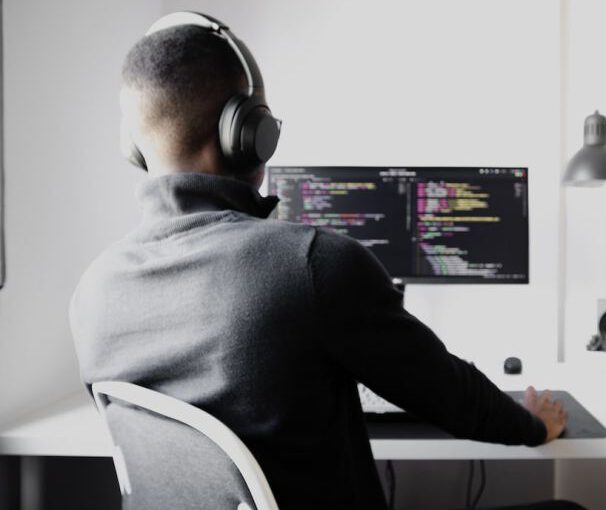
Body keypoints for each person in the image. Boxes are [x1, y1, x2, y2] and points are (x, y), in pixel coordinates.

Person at [70, 13, 578, 510]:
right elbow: (456, 400)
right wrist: (534, 422)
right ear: (249, 133)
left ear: (134, 146)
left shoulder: (91, 294)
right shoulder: (310, 264)